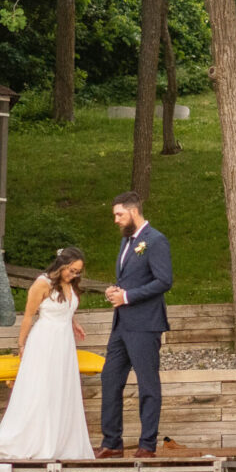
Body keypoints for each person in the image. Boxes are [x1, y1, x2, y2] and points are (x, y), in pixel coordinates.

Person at [0, 247, 96, 460]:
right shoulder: (41, 284)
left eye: (78, 272)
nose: (74, 275)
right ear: (61, 265)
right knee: (41, 388)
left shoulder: (69, 285)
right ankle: (36, 439)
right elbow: (28, 316)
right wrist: (21, 344)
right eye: (71, 270)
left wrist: (73, 321)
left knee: (61, 389)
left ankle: (60, 440)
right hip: (45, 341)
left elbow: (64, 307)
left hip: (64, 344)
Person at [98, 190, 173, 458]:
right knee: (110, 379)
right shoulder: (127, 242)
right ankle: (112, 442)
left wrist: (127, 296)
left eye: (119, 214)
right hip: (121, 324)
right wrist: (115, 290)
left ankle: (147, 444)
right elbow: (132, 277)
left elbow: (164, 280)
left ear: (133, 211)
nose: (116, 220)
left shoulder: (155, 240)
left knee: (147, 384)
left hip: (145, 324)